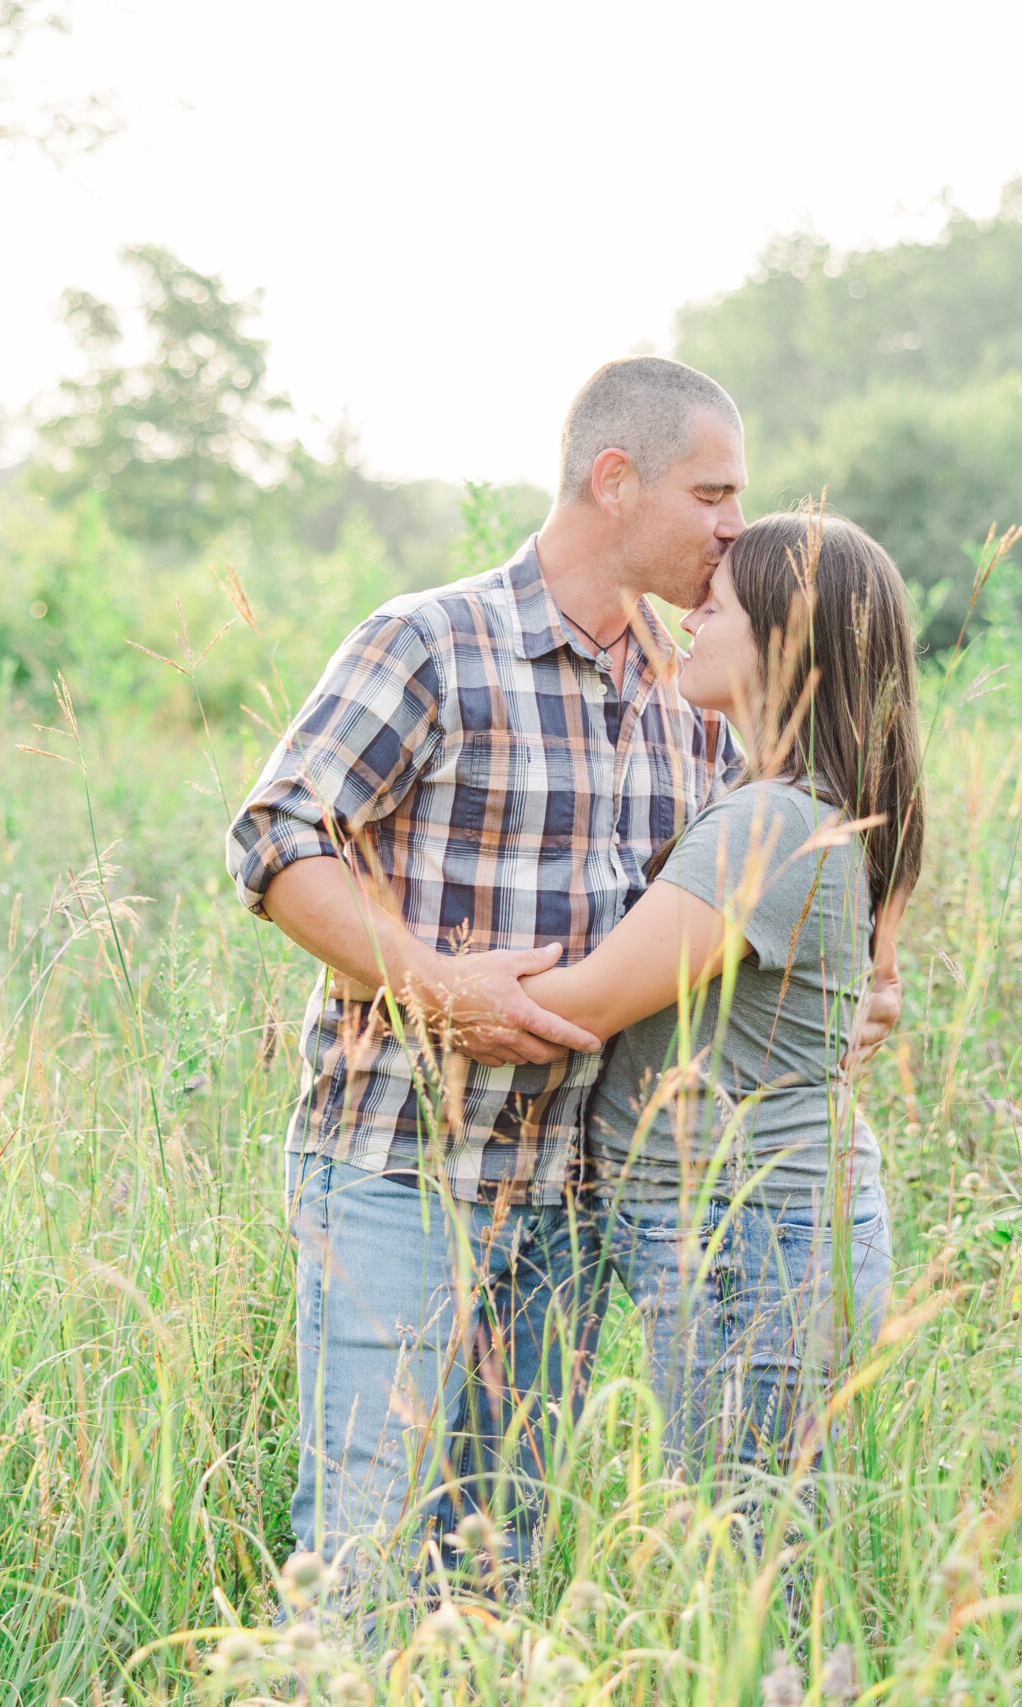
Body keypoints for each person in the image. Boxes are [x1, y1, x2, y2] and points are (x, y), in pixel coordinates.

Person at [224, 357, 751, 1601]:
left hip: (570, 1203)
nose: (735, 529)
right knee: (360, 1558)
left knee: (491, 1569)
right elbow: (275, 840)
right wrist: (430, 985)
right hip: (401, 1175)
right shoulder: (432, 642)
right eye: (711, 494)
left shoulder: (693, 694)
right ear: (614, 481)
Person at [517, 509, 920, 1487]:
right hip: (764, 1227)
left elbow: (581, 1006)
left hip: (749, 1238)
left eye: (719, 608)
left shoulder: (768, 823)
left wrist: (402, 970)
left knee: (743, 1557)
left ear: (785, 639)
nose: (689, 621)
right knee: (754, 1545)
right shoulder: (800, 800)